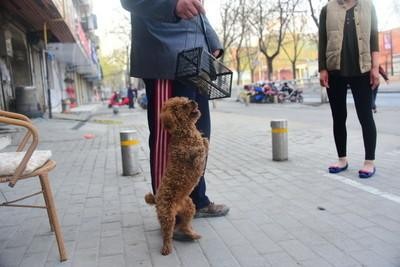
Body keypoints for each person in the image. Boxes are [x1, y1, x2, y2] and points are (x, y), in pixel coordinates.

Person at [120, 0, 230, 225]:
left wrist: (212, 39)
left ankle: (196, 200)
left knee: (198, 135)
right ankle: (171, 210)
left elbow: (197, 8)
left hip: (196, 55)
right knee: (167, 138)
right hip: (164, 51)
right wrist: (172, 5)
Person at [318, 0, 379, 178]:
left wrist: (375, 68)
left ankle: (369, 162)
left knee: (365, 115)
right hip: (334, 70)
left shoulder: (368, 6)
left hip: (362, 70)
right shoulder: (327, 8)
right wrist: (322, 69)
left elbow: (374, 38)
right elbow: (322, 39)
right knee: (338, 117)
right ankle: (342, 159)